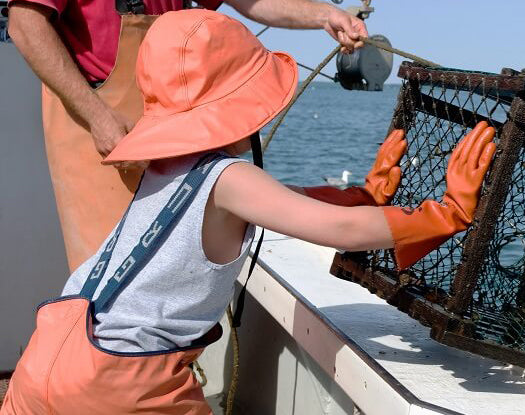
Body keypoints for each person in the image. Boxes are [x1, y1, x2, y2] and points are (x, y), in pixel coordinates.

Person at [0, 10, 495, 414]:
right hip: (123, 383)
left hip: (47, 359)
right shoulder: (226, 179)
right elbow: (335, 229)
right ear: (240, 106)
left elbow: (280, 204)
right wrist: (444, 214)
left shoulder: (161, 170)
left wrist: (364, 195)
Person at [7, 0, 368, 271]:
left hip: (177, 124)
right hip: (98, 121)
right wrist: (96, 116)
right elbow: (25, 24)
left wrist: (325, 14)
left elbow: (254, 1)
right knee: (108, 273)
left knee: (180, 265)